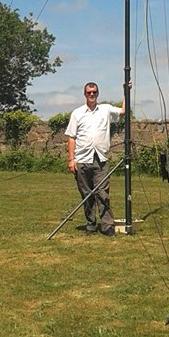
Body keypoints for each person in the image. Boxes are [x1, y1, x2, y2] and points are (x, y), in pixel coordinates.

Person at [65, 81, 129, 236]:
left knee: (102, 193)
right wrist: (71, 159)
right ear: (85, 94)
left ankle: (107, 226)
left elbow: (122, 112)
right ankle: (91, 225)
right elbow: (71, 137)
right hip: (82, 159)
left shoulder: (105, 109)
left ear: (98, 93)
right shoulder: (77, 113)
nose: (91, 95)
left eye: (94, 92)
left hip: (100, 159)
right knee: (87, 194)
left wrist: (126, 91)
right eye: (89, 92)